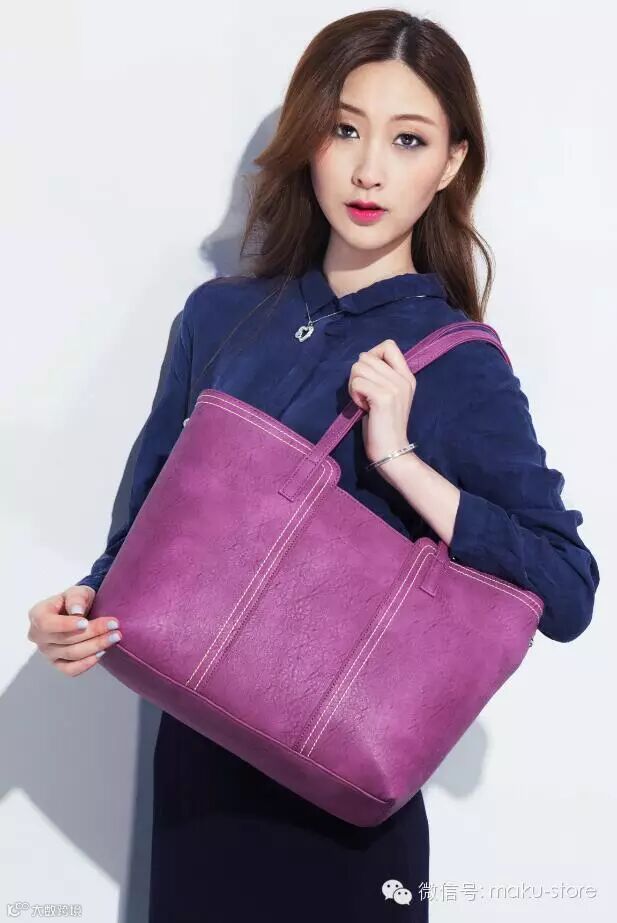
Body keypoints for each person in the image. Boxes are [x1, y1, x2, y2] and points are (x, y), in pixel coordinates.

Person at [27, 10, 600, 921]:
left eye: (407, 140)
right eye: (344, 129)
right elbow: (139, 537)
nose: (369, 169)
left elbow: (567, 586)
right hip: (197, 786)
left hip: (339, 814)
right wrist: (79, 613)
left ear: (450, 163)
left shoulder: (455, 361)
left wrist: (399, 458)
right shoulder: (220, 316)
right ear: (310, 139)